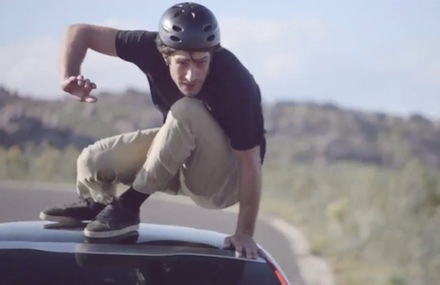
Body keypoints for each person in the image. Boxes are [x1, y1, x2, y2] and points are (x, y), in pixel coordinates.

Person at [39, 2, 266, 259]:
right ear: (164, 55)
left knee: (186, 110)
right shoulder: (146, 47)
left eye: (202, 62)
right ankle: (100, 204)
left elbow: (250, 162)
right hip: (178, 159)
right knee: (94, 161)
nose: (192, 75)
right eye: (182, 63)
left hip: (221, 182)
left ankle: (128, 207)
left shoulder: (236, 82)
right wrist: (69, 75)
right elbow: (80, 31)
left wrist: (245, 232)